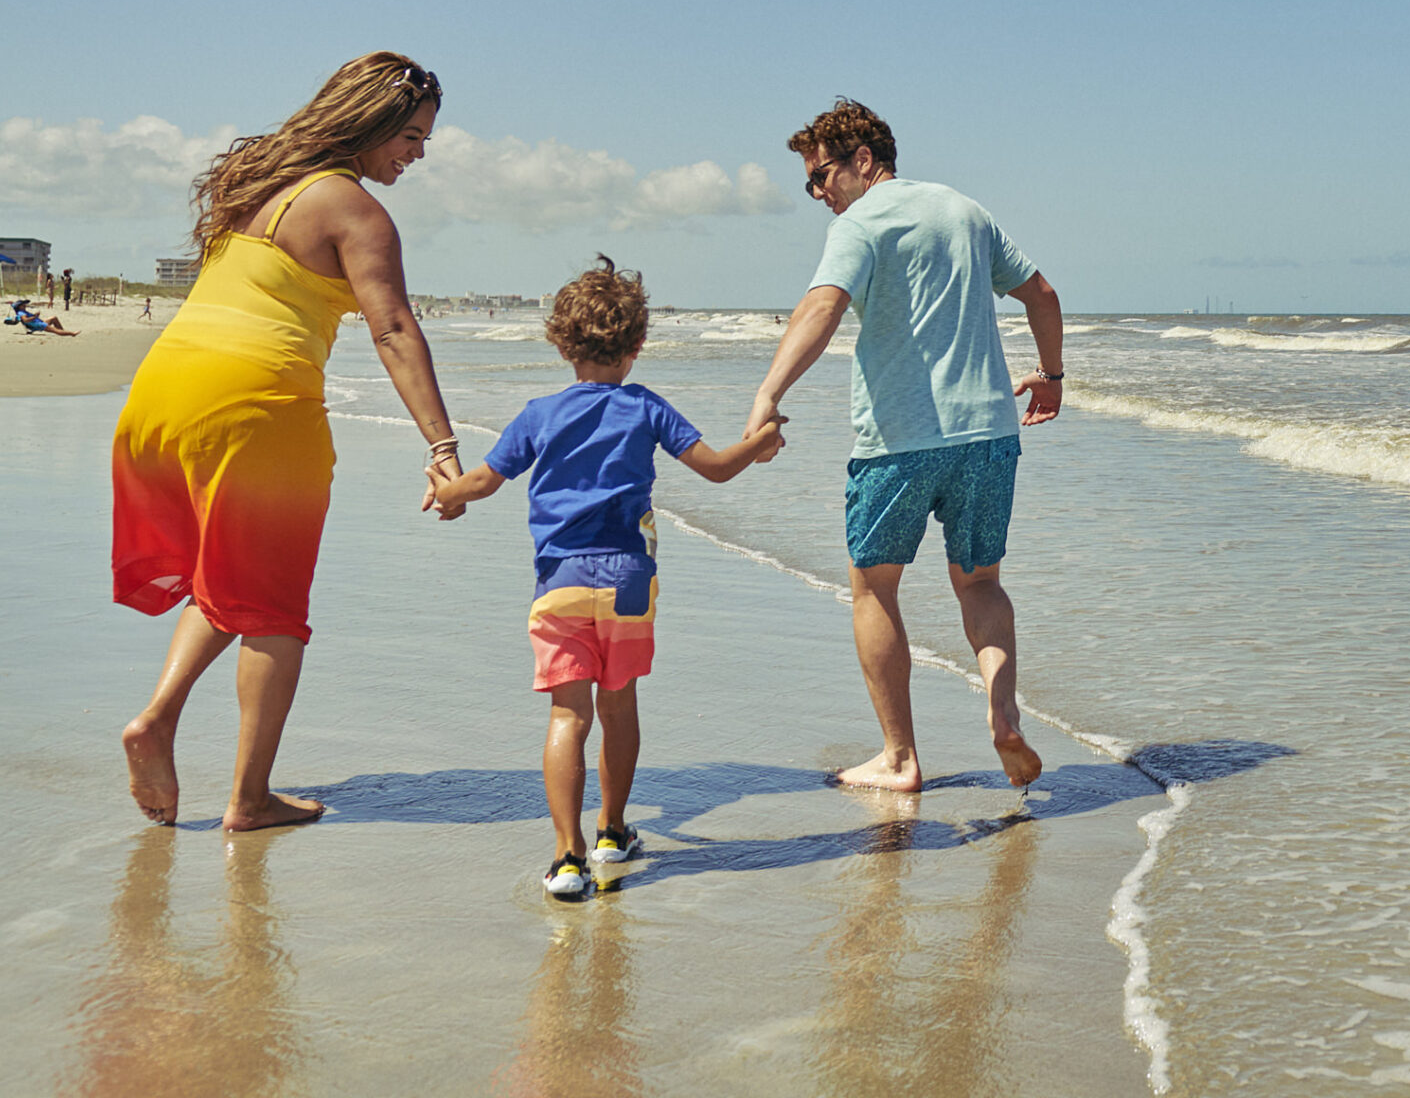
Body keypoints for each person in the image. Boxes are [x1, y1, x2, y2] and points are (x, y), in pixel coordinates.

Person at [110, 52, 461, 831]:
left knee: (227, 574)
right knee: (274, 609)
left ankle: (159, 721)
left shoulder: (256, 181)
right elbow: (394, 329)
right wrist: (443, 447)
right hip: (256, 406)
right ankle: (248, 798)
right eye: (410, 134)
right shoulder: (356, 212)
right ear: (367, 124)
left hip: (164, 392)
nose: (418, 153)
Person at [426, 257, 782, 898]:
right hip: (628, 580)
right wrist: (759, 442)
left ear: (561, 345)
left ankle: (567, 859)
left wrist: (449, 494)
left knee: (569, 714)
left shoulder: (540, 414)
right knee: (618, 707)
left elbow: (483, 480)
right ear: (638, 345)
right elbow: (718, 468)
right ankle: (614, 833)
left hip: (560, 580)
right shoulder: (645, 408)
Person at [743, 99, 1064, 792]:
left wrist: (770, 393)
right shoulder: (965, 210)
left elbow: (823, 307)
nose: (818, 194)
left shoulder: (861, 222)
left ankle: (898, 757)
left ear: (865, 160)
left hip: (898, 441)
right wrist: (1053, 376)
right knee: (980, 582)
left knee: (874, 588)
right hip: (987, 435)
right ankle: (1002, 709)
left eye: (822, 176)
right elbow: (1042, 294)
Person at [8, 298, 79, 337]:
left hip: (39, 322)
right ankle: (72, 334)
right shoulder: (21, 313)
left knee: (54, 318)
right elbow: (26, 320)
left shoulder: (23, 311)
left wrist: (35, 316)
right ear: (19, 306)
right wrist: (35, 316)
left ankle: (63, 332)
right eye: (23, 305)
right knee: (54, 330)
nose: (25, 306)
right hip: (38, 325)